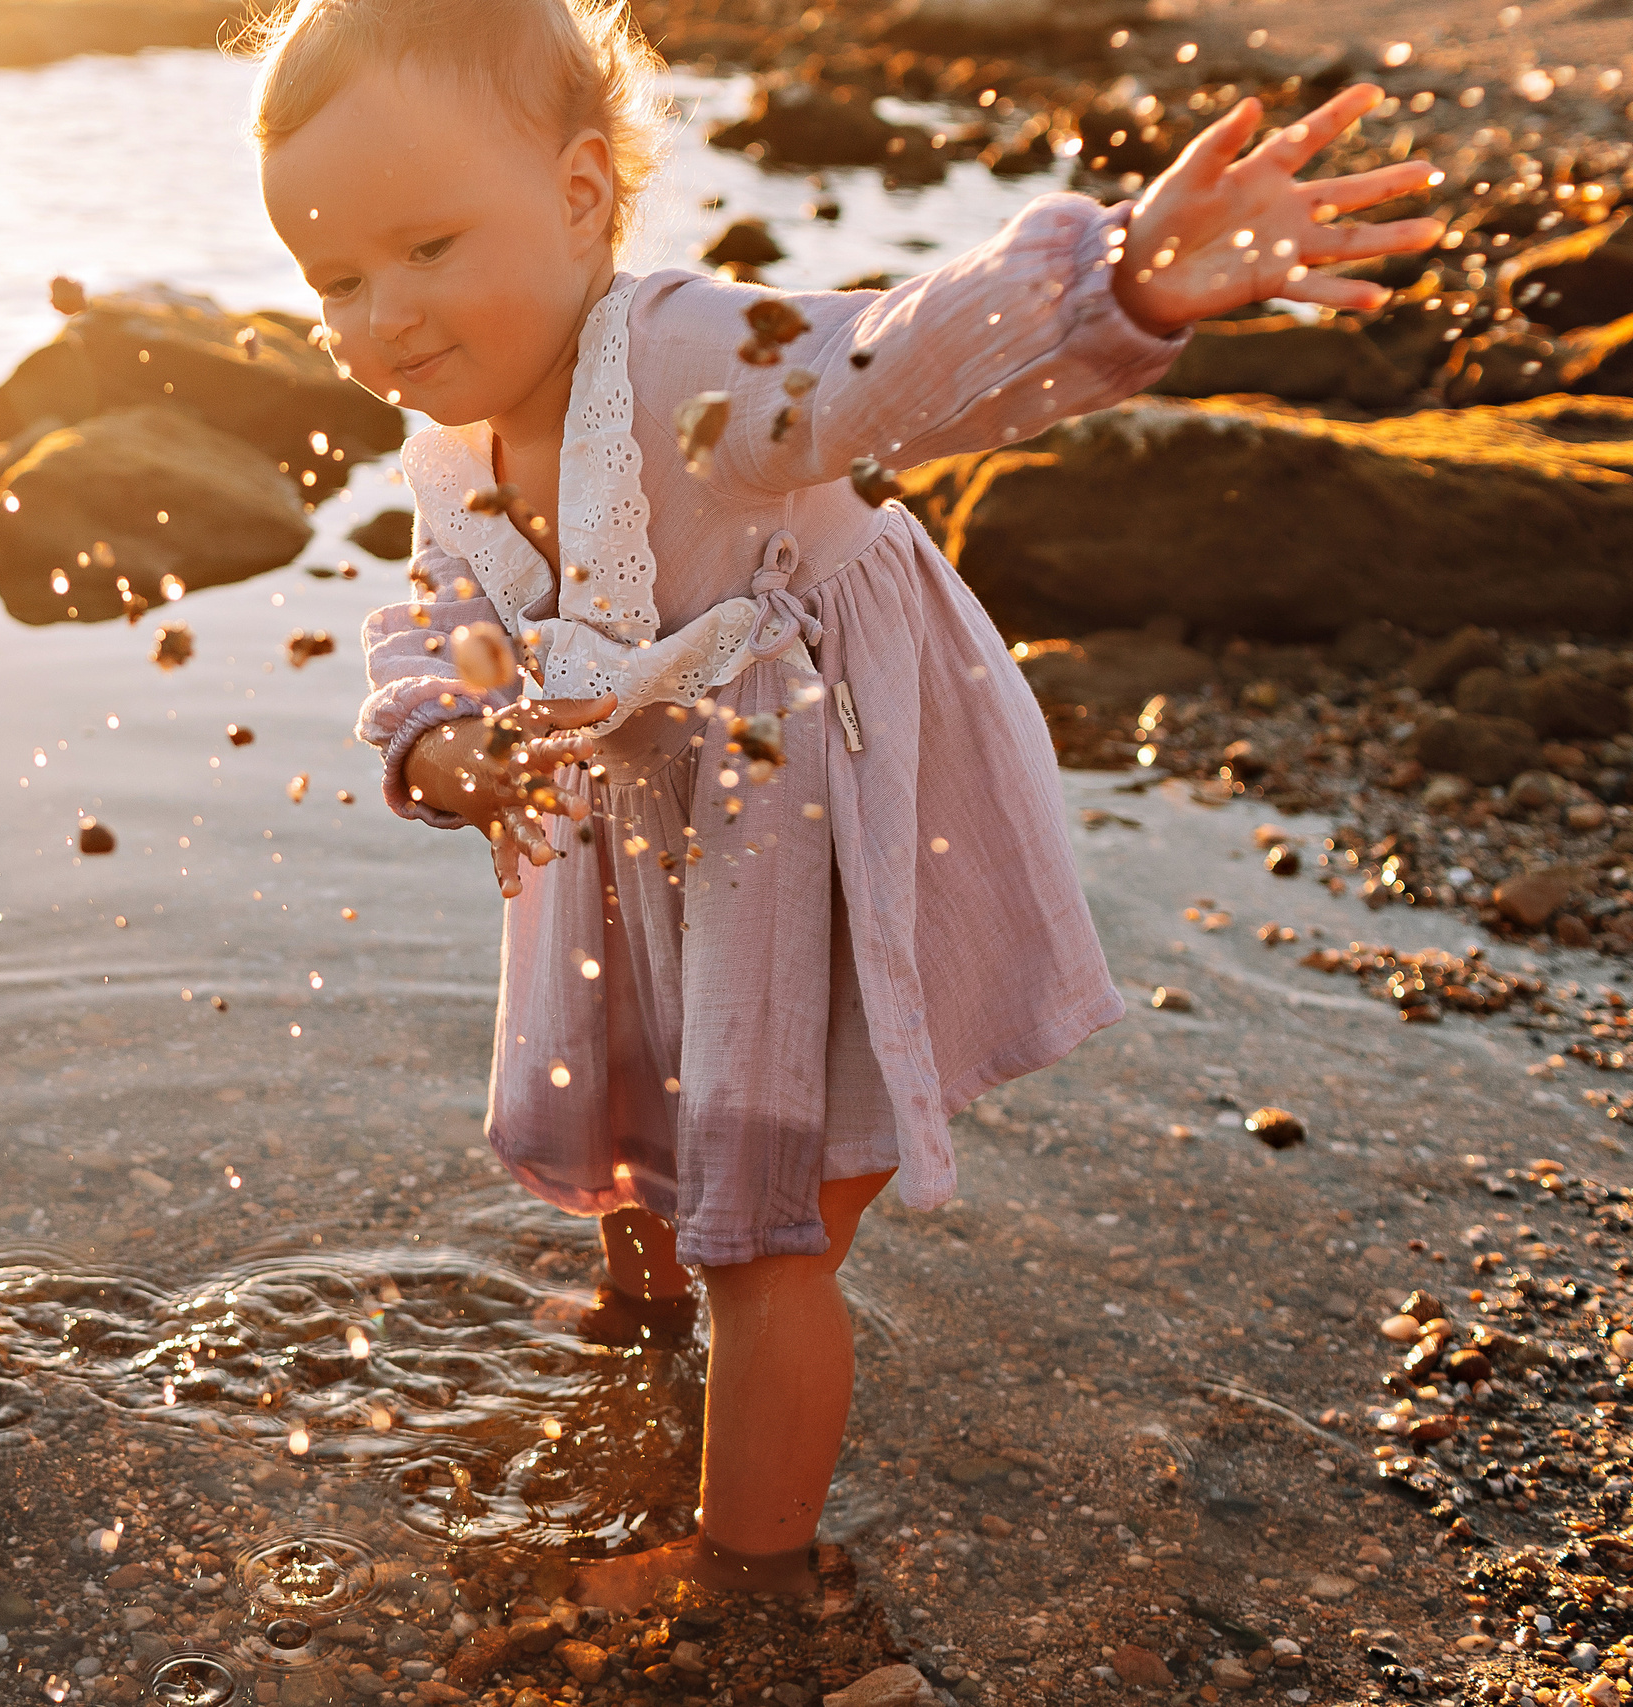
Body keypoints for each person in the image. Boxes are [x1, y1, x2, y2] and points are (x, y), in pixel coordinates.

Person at [245, 0, 1444, 1606]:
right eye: (335, 280)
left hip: (818, 778)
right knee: (634, 1079)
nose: (383, 314)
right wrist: (446, 736)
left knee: (773, 1205)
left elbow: (877, 368)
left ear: (585, 190)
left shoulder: (676, 355)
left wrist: (1121, 281)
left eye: (428, 245)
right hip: (648, 808)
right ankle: (640, 1311)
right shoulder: (453, 436)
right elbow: (443, 612)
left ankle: (748, 1566)